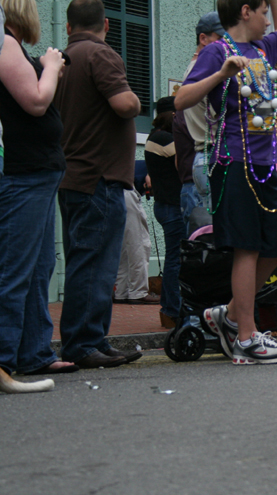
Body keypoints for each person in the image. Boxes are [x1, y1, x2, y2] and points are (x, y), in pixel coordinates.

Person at [175, 0, 277, 365]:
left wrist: (273, 1)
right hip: (233, 162)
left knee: (274, 249)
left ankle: (227, 315)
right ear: (245, 12)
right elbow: (181, 99)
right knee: (247, 248)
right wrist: (221, 74)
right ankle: (245, 335)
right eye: (263, 12)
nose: (268, 21)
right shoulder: (217, 51)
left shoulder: (263, 47)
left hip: (265, 163)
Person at [54, 0, 143, 369]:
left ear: (70, 26)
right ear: (106, 24)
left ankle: (92, 338)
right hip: (99, 177)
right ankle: (84, 343)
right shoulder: (101, 54)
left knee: (82, 261)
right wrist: (137, 100)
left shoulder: (61, 60)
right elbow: (124, 104)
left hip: (71, 174)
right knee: (96, 266)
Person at [0, 0, 77, 376]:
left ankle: (33, 353)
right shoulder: (5, 43)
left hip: (38, 173)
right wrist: (48, 67)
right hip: (24, 173)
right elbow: (34, 101)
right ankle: (4, 358)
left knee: (38, 267)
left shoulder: (11, 45)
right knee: (16, 270)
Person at [174, 12, 224, 220]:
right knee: (217, 236)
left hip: (202, 158)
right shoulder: (206, 71)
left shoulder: (193, 69)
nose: (227, 45)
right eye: (221, 38)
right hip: (211, 155)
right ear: (203, 39)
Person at [145, 97, 185, 329]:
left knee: (174, 258)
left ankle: (170, 310)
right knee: (176, 260)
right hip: (172, 205)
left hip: (165, 204)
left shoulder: (154, 137)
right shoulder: (164, 138)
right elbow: (184, 163)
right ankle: (171, 310)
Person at [113, 184, 158, 305]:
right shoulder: (144, 168)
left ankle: (121, 292)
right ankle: (138, 292)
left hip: (116, 191)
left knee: (124, 247)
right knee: (139, 243)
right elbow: (149, 182)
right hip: (128, 191)